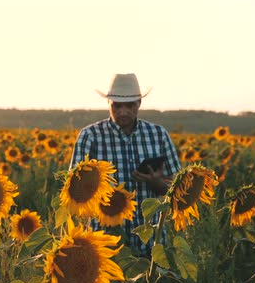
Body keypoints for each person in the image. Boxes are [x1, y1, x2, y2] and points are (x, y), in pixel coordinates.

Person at [69, 73, 181, 257]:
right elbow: (76, 192)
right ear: (108, 104)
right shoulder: (91, 136)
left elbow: (177, 188)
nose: (123, 111)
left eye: (130, 105)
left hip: (152, 242)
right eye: (117, 105)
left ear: (139, 103)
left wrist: (158, 184)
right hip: (106, 241)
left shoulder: (158, 134)